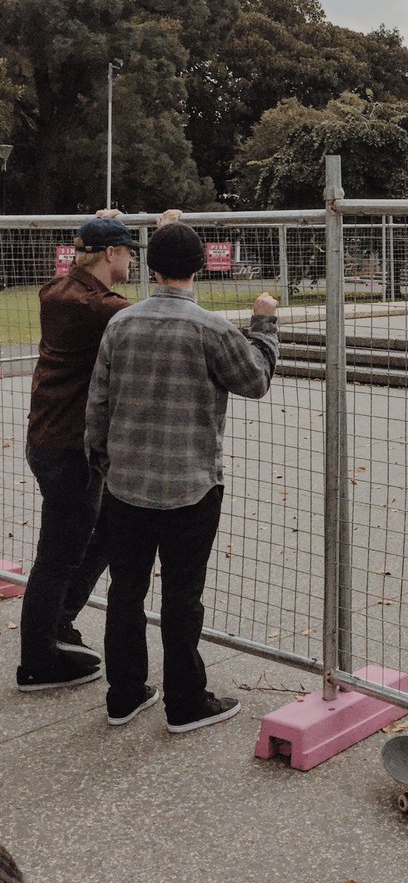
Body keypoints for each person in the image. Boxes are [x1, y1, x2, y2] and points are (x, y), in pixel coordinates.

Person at [85, 222, 279, 731]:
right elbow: (255, 379)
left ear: (151, 268)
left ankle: (123, 694)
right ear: (199, 268)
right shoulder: (211, 328)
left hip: (126, 483)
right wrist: (264, 324)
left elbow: (98, 403)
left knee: (125, 591)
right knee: (181, 596)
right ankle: (185, 701)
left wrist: (104, 462)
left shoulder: (121, 324)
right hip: (190, 483)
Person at [17, 213, 162, 691]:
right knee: (58, 553)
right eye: (129, 250)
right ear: (111, 254)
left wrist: (101, 220)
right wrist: (166, 238)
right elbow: (154, 317)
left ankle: (59, 622)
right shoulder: (98, 309)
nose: (134, 258)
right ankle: (38, 659)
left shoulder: (57, 292)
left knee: (97, 533)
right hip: (69, 448)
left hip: (50, 441)